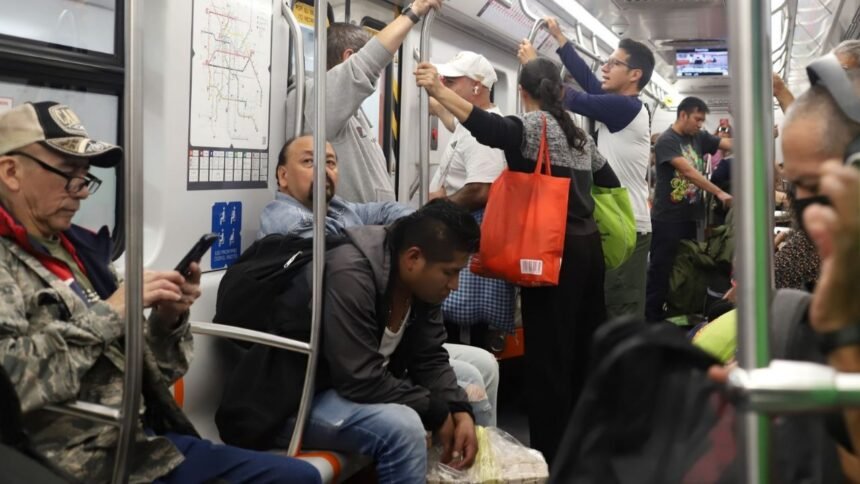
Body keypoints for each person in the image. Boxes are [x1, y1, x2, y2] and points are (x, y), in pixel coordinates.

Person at [0, 102, 320, 483]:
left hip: (138, 445)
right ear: (11, 172)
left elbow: (155, 375)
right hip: (68, 460)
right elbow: (12, 381)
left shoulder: (79, 252)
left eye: (86, 179)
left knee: (299, 477)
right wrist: (113, 312)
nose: (81, 194)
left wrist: (167, 322)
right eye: (70, 176)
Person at [416, 57, 621, 463]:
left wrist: (439, 91)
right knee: (581, 350)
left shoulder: (533, 127)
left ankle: (552, 455)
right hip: (588, 248)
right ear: (560, 91)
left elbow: (488, 128)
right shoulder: (579, 135)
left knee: (547, 357)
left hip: (548, 252)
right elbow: (609, 182)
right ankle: (586, 447)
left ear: (523, 92)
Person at [259, 134, 499, 427]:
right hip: (325, 363)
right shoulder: (286, 219)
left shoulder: (339, 209)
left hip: (370, 339)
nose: (324, 170)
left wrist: (422, 232)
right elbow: (341, 250)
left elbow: (389, 212)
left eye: (331, 162)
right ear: (283, 176)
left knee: (481, 368)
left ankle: (478, 461)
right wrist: (405, 237)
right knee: (463, 383)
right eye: (309, 162)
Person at [274, 200, 480, 483]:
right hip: (298, 400)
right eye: (449, 272)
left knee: (470, 396)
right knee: (405, 428)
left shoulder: (422, 285)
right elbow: (358, 377)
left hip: (352, 390)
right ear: (413, 258)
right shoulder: (350, 273)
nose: (454, 285)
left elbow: (429, 356)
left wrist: (458, 408)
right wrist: (432, 408)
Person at [518, 18, 655, 321]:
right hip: (616, 219)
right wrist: (560, 38)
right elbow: (590, 86)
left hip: (628, 224)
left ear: (635, 75)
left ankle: (627, 370)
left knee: (619, 312)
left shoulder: (629, 108)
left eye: (614, 63)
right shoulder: (617, 104)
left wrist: (535, 68)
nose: (605, 67)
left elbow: (578, 98)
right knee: (603, 308)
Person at [287, 0, 442, 203]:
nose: (377, 75)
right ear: (349, 57)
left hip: (370, 228)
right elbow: (365, 65)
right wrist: (413, 13)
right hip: (349, 231)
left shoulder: (349, 110)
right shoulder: (314, 97)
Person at [427, 51, 516, 344]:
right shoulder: (472, 123)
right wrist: (441, 109)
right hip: (464, 233)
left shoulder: (484, 131)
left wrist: (439, 206)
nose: (444, 86)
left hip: (471, 234)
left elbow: (481, 190)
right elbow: (459, 132)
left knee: (463, 329)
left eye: (451, 81)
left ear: (477, 86)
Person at [646, 96, 732, 322]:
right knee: (661, 269)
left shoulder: (699, 137)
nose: (700, 124)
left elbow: (729, 145)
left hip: (691, 217)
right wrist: (719, 192)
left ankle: (679, 312)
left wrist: (760, 136)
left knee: (688, 267)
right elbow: (689, 172)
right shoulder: (667, 140)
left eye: (703, 120)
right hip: (668, 219)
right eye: (697, 119)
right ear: (682, 115)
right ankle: (652, 319)